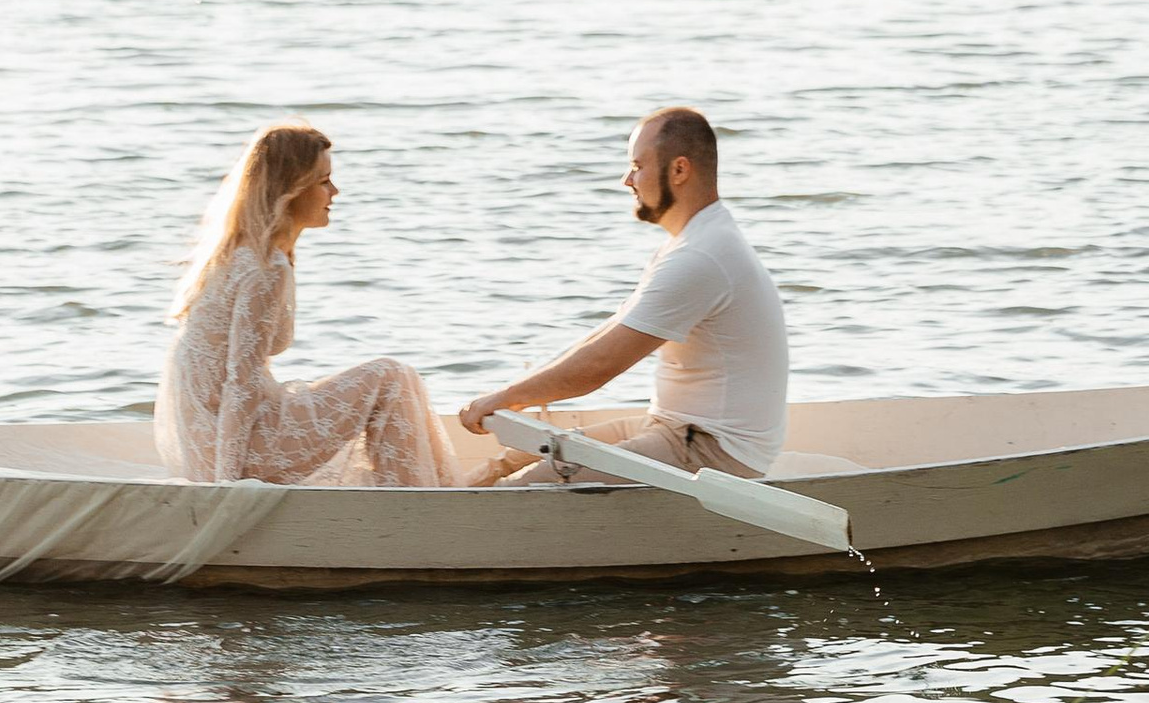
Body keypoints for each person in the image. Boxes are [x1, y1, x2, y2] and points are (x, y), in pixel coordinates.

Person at [457, 107, 788, 480]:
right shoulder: (692, 242)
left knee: (523, 489)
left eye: (637, 165)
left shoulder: (701, 256)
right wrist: (512, 393)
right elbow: (606, 335)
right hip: (673, 427)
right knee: (507, 463)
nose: (627, 179)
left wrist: (505, 398)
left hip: (711, 450)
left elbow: (598, 367)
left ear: (679, 170)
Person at [155, 122, 456, 486]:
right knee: (391, 377)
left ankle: (428, 492)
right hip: (243, 449)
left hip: (219, 439)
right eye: (324, 181)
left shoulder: (237, 252)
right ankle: (420, 501)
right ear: (292, 189)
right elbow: (241, 383)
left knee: (394, 378)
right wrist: (227, 485)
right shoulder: (266, 267)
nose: (335, 192)